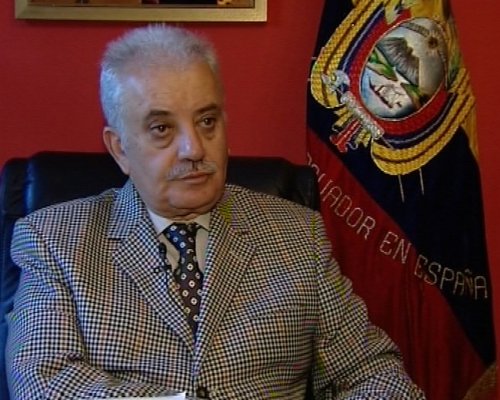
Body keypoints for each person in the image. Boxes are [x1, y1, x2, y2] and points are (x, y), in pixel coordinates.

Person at [5, 25, 425, 399]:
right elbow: (43, 384)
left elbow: (371, 373)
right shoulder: (55, 240)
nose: (194, 149)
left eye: (207, 121)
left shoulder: (298, 235)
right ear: (120, 149)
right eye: (162, 128)